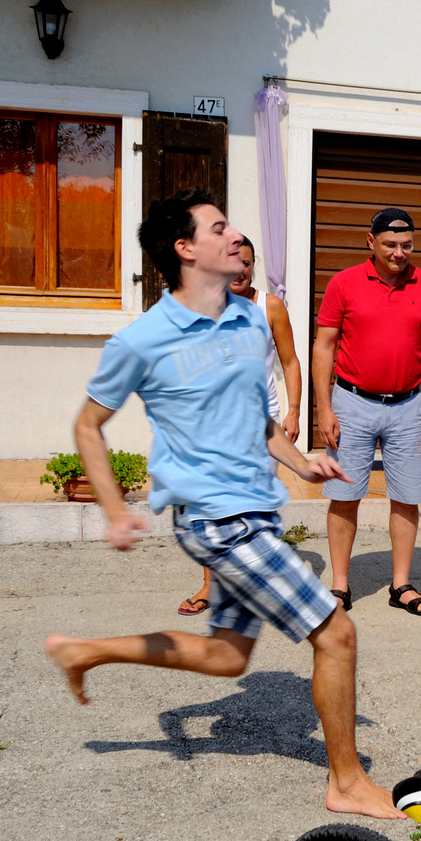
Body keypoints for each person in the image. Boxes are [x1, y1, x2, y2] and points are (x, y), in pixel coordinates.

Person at [43, 187, 403, 820]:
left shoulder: (246, 318)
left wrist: (303, 463)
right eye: (219, 229)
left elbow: (258, 421)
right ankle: (345, 782)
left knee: (226, 658)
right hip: (217, 521)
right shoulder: (143, 339)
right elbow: (86, 427)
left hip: (254, 508)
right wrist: (112, 508)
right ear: (186, 250)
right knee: (337, 632)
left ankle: (86, 650)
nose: (234, 237)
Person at [312, 207, 421, 617]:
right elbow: (324, 346)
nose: (398, 253)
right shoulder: (343, 284)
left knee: (407, 496)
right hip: (351, 402)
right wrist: (324, 406)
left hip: (409, 405)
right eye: (390, 245)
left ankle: (402, 584)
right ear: (370, 241)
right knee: (344, 495)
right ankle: (339, 586)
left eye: (406, 245)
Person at [179, 235, 303, 616]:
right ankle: (211, 585)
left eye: (247, 262)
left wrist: (293, 410)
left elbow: (290, 362)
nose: (240, 268)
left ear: (253, 267)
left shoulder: (271, 307)